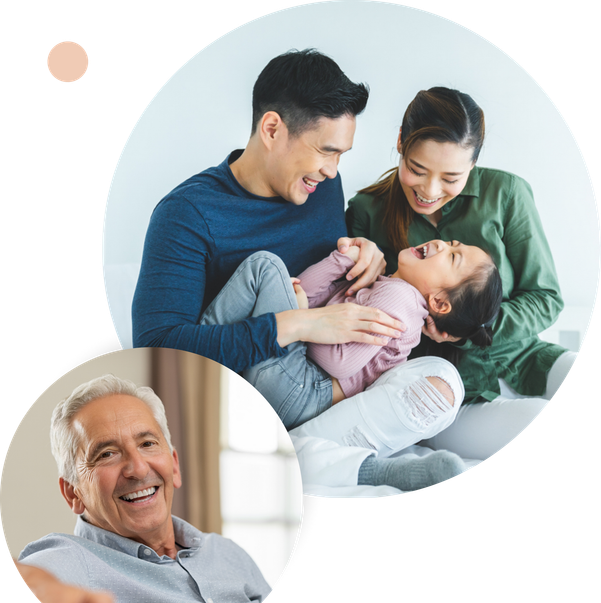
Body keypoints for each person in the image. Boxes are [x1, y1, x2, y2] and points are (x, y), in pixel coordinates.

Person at [132, 49, 405, 377]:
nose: (333, 171)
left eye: (341, 155)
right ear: (272, 129)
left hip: (321, 380)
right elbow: (157, 352)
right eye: (325, 151)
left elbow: (327, 281)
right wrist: (297, 325)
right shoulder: (185, 215)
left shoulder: (322, 187)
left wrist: (366, 253)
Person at [345, 86, 577, 460]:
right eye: (416, 170)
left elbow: (546, 299)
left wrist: (467, 332)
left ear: (473, 164)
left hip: (526, 358)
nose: (430, 191)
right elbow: (364, 315)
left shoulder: (507, 194)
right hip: (449, 391)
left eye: (451, 178)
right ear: (401, 142)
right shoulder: (366, 211)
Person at [17, 375, 271, 603]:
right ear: (73, 493)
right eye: (106, 454)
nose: (137, 468)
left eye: (147, 444)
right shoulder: (72, 562)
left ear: (174, 466)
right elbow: (34, 577)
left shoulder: (229, 554)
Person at [200, 238, 502, 433]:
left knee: (265, 266)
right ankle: (201, 357)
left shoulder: (400, 301)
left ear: (438, 302)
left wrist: (303, 321)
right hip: (294, 386)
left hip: (304, 390)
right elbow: (302, 290)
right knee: (268, 270)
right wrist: (343, 260)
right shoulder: (387, 287)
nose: (441, 245)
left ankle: (196, 353)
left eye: (452, 257)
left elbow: (338, 363)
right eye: (452, 243)